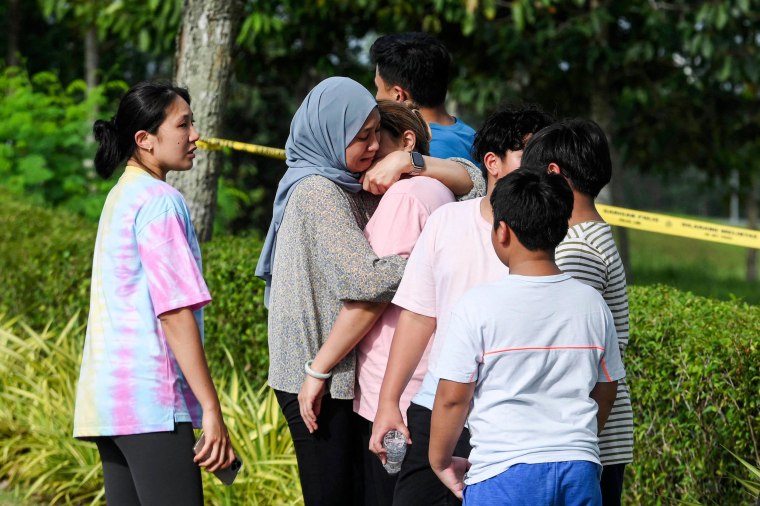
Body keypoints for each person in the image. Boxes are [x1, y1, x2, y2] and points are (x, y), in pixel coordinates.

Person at [255, 77, 479, 506]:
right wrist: (435, 260)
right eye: (362, 137)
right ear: (330, 135)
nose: (374, 145)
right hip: (315, 377)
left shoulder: (350, 181)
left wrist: (412, 162)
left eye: (378, 132)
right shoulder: (319, 191)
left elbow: (480, 182)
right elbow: (366, 280)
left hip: (330, 371)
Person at [369, 105, 553, 506]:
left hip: (514, 422)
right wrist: (388, 403)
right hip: (437, 407)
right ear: (493, 163)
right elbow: (418, 318)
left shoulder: (552, 240)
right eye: (529, 154)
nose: (542, 166)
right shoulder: (447, 222)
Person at [73, 81, 235, 506]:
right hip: (153, 406)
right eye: (183, 125)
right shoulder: (160, 201)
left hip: (110, 406)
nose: (195, 135)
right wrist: (212, 410)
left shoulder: (121, 195)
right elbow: (175, 313)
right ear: (144, 140)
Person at [428, 169, 625, 505]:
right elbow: (607, 389)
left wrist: (440, 460)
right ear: (562, 230)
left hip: (503, 472)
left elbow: (452, 398)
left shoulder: (477, 305)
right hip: (579, 468)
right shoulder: (592, 303)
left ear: (502, 231)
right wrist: (578, 440)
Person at [296, 99, 458, 506]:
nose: (365, 153)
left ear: (406, 143)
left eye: (373, 139)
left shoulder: (403, 198)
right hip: (423, 379)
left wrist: (318, 368)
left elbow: (372, 295)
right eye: (359, 139)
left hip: (395, 389)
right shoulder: (438, 189)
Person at [520, 118, 634, 505]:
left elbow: (571, 355)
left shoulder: (575, 251)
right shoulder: (590, 236)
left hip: (581, 444)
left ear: (553, 174)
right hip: (591, 440)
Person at [370, 32, 478, 164]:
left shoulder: (422, 152)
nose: (376, 97)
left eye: (378, 88)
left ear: (398, 95)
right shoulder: (471, 135)